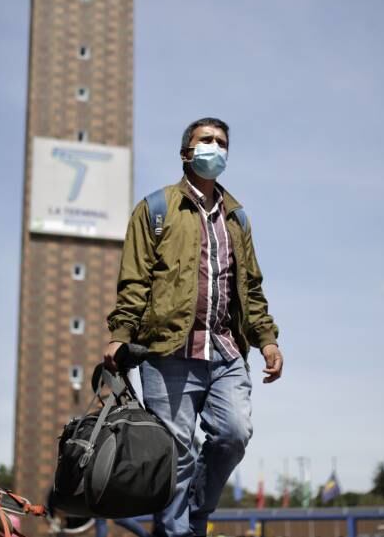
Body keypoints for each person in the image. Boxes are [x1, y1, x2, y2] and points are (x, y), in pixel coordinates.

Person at [104, 118, 284, 537]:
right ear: (186, 151)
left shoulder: (237, 218)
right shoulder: (156, 208)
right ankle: (178, 532)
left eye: (222, 143)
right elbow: (134, 279)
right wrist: (120, 335)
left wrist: (267, 340)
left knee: (235, 433)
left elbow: (250, 286)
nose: (215, 148)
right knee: (176, 455)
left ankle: (195, 516)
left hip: (224, 350)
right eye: (206, 140)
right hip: (168, 352)